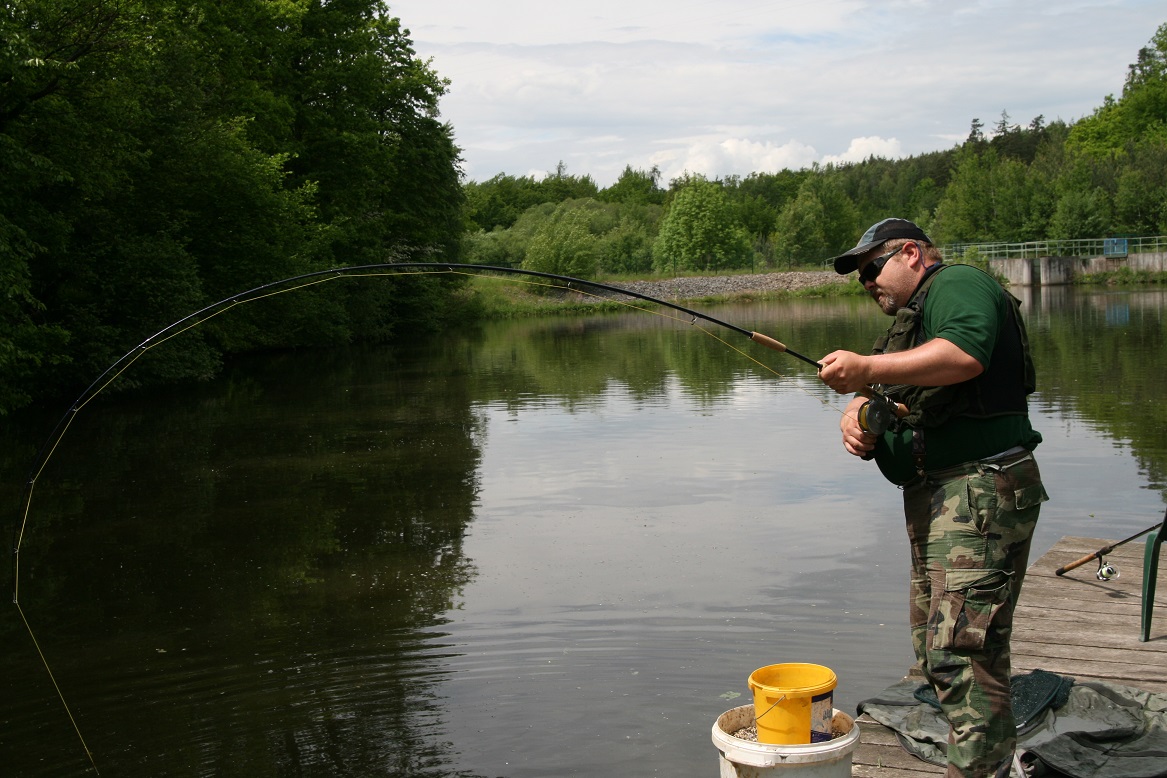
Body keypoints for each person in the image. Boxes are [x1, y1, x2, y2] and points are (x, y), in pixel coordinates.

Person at [817, 218, 1048, 778]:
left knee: (962, 650)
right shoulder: (909, 322)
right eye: (859, 277)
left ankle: (981, 766)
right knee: (934, 645)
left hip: (978, 490)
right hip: (939, 498)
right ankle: (987, 752)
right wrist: (854, 413)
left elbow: (965, 353)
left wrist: (865, 369)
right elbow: (878, 390)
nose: (867, 282)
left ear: (913, 254)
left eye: (873, 268)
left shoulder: (956, 284)